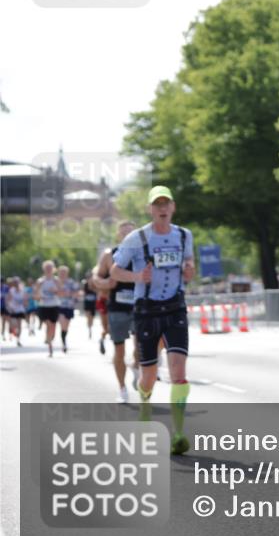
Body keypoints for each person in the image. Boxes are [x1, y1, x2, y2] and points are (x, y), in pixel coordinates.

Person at [111, 186, 195, 455]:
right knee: (148, 375)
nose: (162, 208)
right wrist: (138, 277)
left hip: (175, 309)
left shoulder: (184, 235)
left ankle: (179, 433)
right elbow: (115, 271)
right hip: (146, 310)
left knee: (179, 372)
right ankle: (145, 412)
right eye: (157, 204)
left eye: (166, 203)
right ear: (150, 209)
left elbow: (188, 270)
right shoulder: (136, 238)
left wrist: (190, 271)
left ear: (173, 207)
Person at [94, 220, 140, 402]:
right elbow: (96, 276)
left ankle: (136, 366)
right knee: (119, 350)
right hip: (118, 308)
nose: (128, 237)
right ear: (119, 236)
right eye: (124, 234)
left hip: (140, 306)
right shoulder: (109, 255)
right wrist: (106, 283)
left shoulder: (143, 254)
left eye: (131, 233)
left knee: (142, 347)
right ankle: (122, 389)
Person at [36, 261, 61, 357]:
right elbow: (35, 295)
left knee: (53, 326)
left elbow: (62, 294)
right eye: (47, 268)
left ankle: (50, 338)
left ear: (53, 269)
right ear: (44, 269)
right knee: (48, 325)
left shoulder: (56, 280)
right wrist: (39, 296)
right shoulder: (40, 281)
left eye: (50, 268)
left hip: (54, 305)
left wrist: (56, 291)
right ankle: (50, 348)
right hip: (44, 306)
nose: (49, 270)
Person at [56, 265, 79, 352]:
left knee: (66, 327)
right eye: (61, 272)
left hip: (69, 306)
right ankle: (64, 343)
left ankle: (64, 339)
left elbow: (76, 292)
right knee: (62, 324)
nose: (62, 274)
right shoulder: (55, 282)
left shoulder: (71, 282)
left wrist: (71, 295)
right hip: (59, 306)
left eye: (64, 272)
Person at [5, 278, 27, 346]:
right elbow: (8, 300)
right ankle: (13, 332)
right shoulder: (11, 291)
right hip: (13, 310)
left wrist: (25, 305)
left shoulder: (22, 290)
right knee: (14, 324)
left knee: (19, 325)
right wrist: (9, 307)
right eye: (15, 282)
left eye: (17, 282)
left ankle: (18, 339)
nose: (16, 284)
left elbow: (25, 299)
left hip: (20, 310)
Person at [81, 275, 98, 345]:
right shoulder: (85, 284)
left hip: (93, 303)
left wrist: (93, 288)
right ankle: (89, 328)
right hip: (87, 302)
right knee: (88, 316)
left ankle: (90, 326)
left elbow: (97, 292)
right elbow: (83, 293)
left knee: (92, 317)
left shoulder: (95, 284)